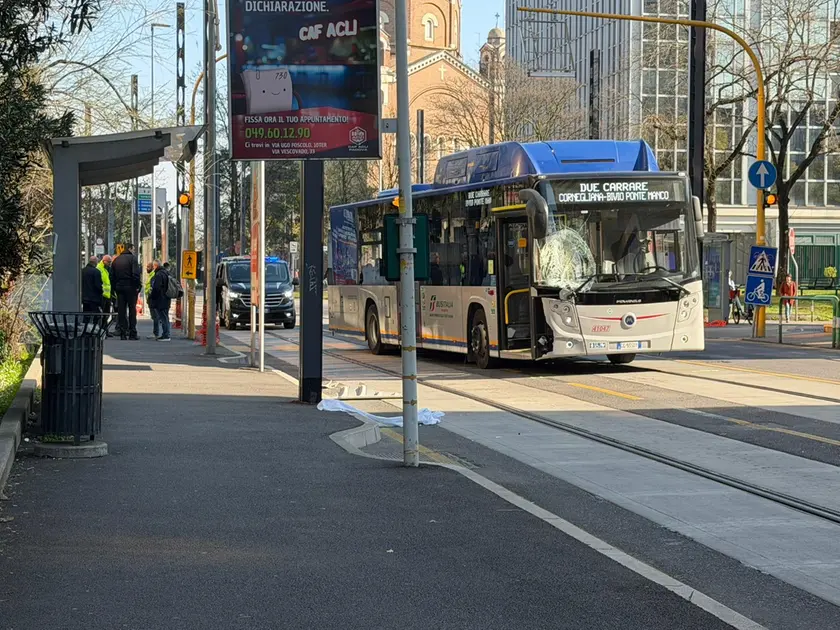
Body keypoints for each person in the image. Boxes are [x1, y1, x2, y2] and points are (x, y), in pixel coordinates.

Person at [111, 242, 141, 340]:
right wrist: (137, 286)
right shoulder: (133, 259)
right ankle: (132, 332)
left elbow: (112, 276)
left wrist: (115, 288)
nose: (134, 251)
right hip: (131, 288)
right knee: (132, 310)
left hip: (119, 288)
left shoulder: (116, 260)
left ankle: (123, 333)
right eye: (133, 249)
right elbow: (135, 274)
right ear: (130, 248)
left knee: (121, 311)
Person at [149, 259, 172, 342]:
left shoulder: (159, 274)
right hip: (166, 298)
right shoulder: (166, 273)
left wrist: (152, 296)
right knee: (165, 317)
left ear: (155, 266)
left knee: (163, 317)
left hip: (160, 299)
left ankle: (166, 335)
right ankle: (166, 334)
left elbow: (156, 288)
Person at [144, 262, 159, 339]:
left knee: (155, 316)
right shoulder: (151, 275)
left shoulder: (153, 275)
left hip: (152, 299)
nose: (147, 268)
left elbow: (152, 288)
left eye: (148, 267)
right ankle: (156, 333)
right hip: (150, 298)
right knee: (155, 317)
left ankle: (156, 333)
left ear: (153, 267)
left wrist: (150, 296)